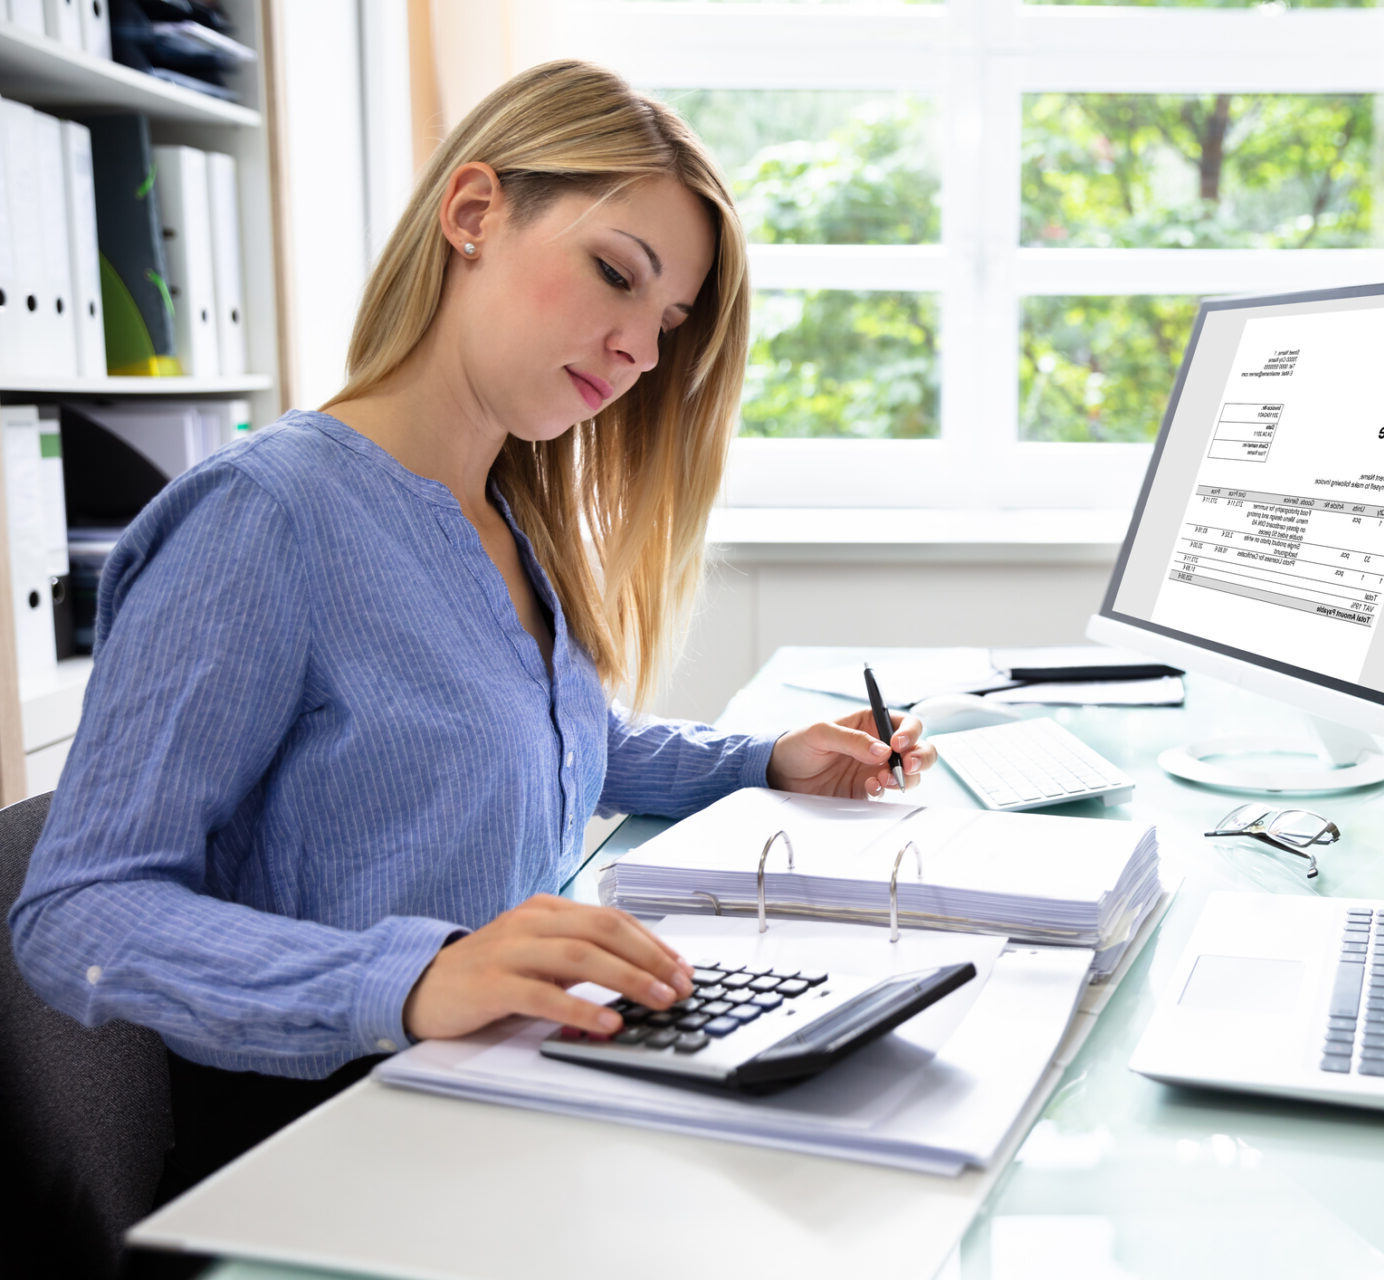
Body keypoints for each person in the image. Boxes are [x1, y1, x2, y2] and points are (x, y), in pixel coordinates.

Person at [8, 59, 936, 1196]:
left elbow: (525, 729)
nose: (642, 350)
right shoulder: (267, 518)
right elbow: (79, 909)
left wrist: (764, 757)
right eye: (615, 275)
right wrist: (410, 975)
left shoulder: (505, 513)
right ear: (475, 214)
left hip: (506, 1103)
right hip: (340, 1156)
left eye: (670, 322)